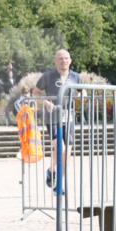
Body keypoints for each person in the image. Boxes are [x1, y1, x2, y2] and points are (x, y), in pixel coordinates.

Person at [33, 49, 82, 189]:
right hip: (53, 117)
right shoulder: (48, 76)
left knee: (68, 152)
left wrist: (81, 97)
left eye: (66, 58)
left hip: (69, 117)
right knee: (60, 147)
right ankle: (55, 176)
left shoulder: (76, 77)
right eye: (60, 58)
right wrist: (45, 102)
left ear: (70, 60)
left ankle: (56, 176)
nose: (63, 61)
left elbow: (82, 91)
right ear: (55, 61)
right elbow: (36, 93)